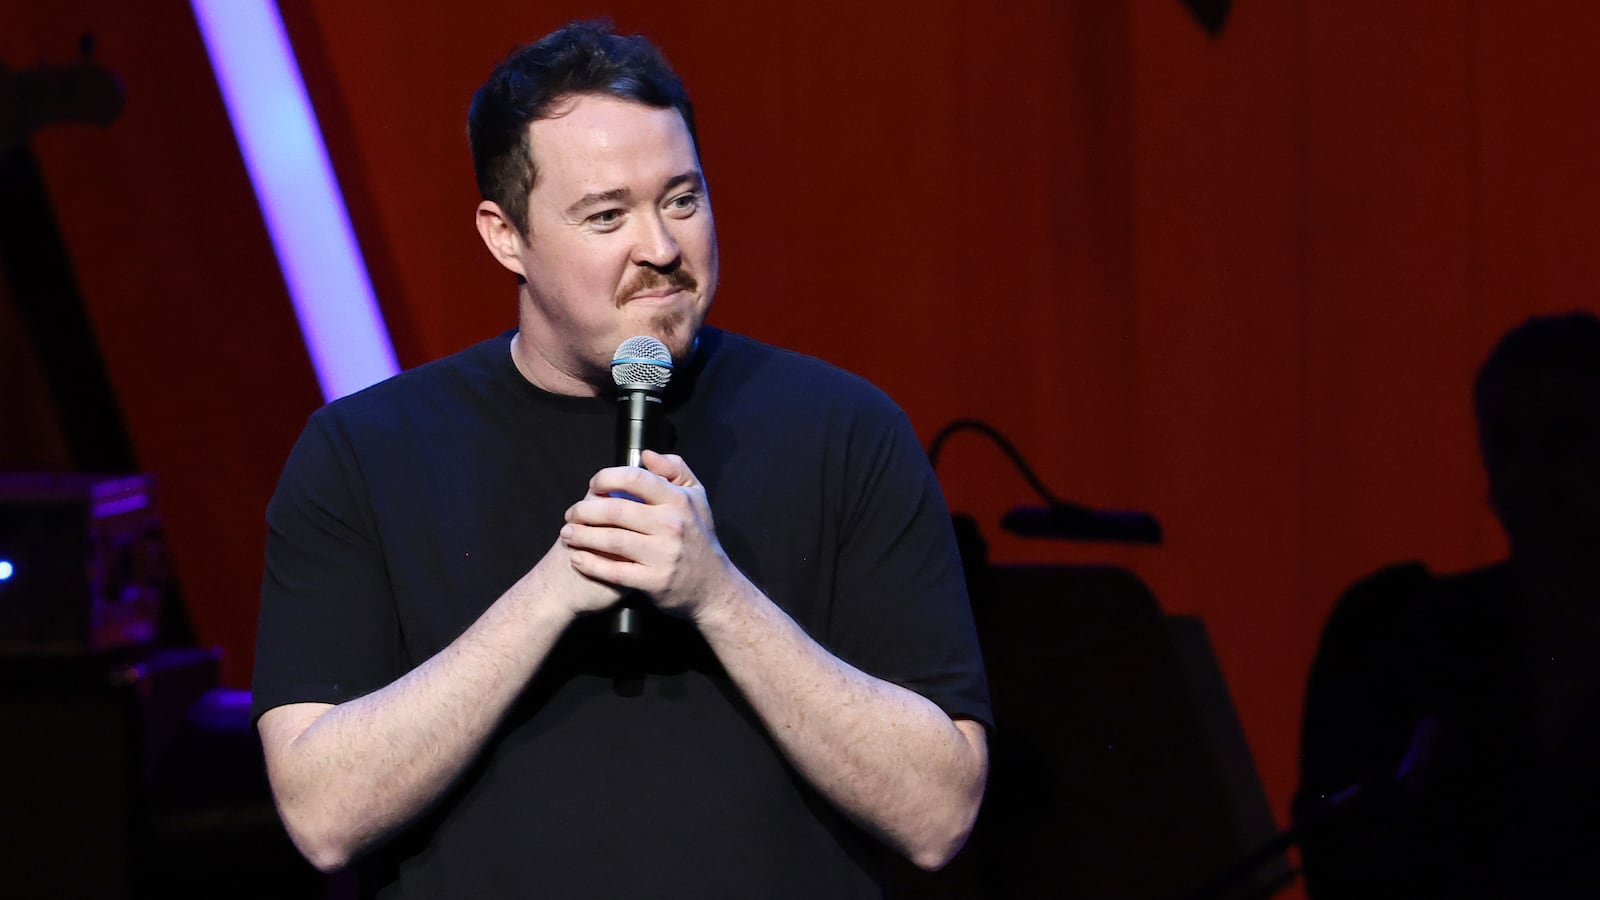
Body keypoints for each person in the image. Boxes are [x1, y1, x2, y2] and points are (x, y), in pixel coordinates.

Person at [249, 19, 991, 899]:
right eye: (607, 216)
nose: (663, 249)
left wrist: (717, 595)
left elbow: (939, 814)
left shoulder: (846, 431)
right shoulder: (363, 452)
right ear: (505, 236)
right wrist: (556, 589)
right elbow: (322, 818)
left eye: (682, 199)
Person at [1295, 311, 1600, 898]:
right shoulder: (1397, 638)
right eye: (1507, 441)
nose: (1531, 475)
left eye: (1566, 442)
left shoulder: (1401, 632)